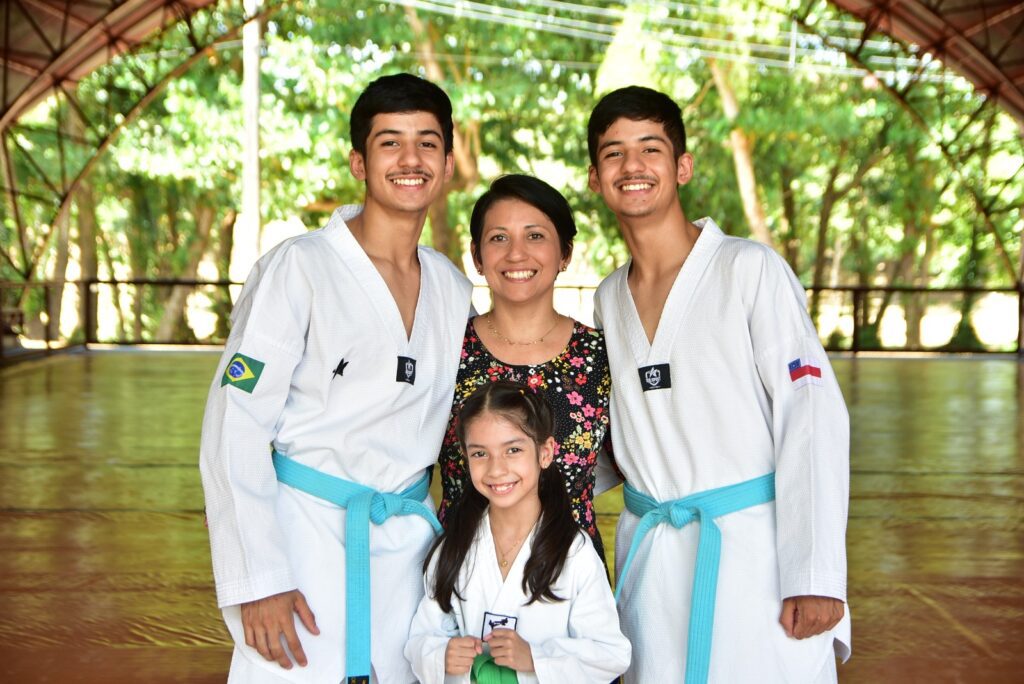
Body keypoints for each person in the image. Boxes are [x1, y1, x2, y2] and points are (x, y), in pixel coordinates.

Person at [198, 73, 473, 684]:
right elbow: (234, 423)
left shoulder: (452, 287)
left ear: (448, 165)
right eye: (390, 142)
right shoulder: (299, 267)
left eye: (427, 143)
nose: (411, 159)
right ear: (359, 162)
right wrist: (260, 578)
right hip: (303, 543)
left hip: (409, 552)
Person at [586, 85, 852, 683]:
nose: (632, 165)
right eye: (613, 153)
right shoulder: (609, 298)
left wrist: (814, 574)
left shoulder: (748, 269)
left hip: (756, 560)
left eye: (650, 148)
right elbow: (618, 432)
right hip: (653, 563)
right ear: (595, 179)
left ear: (682, 166)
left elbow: (810, 416)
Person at [436, 174, 613, 560]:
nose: (516, 254)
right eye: (499, 237)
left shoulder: (602, 356)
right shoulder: (445, 351)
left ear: (565, 253)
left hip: (570, 575)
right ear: (477, 256)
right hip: (462, 570)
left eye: (535, 236)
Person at [406, 381, 631, 683]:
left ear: (545, 452)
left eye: (513, 450)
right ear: (465, 456)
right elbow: (420, 639)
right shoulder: (454, 547)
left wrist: (535, 658)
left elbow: (611, 653)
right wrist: (441, 654)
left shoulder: (573, 552)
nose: (496, 469)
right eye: (480, 453)